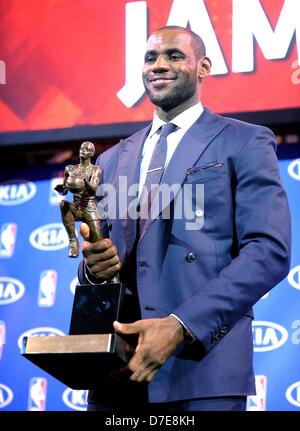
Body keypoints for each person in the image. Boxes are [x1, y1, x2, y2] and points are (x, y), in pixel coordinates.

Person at [78, 26, 291, 411]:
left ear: (204, 67)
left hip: (201, 371)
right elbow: (101, 267)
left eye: (174, 55)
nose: (159, 65)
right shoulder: (111, 161)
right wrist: (93, 270)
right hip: (118, 377)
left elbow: (268, 251)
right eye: (150, 58)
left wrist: (179, 326)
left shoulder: (244, 140)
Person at [55, 141, 102, 257]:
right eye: (81, 148)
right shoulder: (70, 169)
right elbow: (65, 189)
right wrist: (61, 188)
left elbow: (93, 190)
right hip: (76, 207)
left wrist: (84, 181)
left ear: (91, 154)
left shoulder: (95, 170)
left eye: (86, 149)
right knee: (63, 204)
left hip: (89, 208)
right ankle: (73, 241)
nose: (83, 151)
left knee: (99, 243)